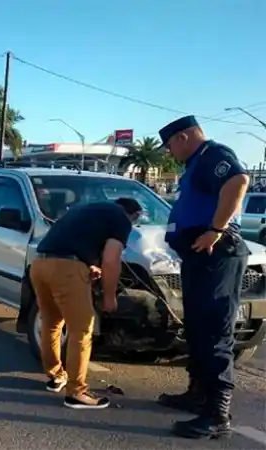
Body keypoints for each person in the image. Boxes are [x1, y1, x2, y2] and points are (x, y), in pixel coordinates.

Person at [156, 116, 250, 439]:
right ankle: (197, 394)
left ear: (184, 137)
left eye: (170, 146)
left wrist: (215, 230)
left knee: (214, 332)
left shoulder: (213, 155)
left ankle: (217, 414)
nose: (169, 153)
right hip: (199, 259)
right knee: (197, 329)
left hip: (218, 255)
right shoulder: (196, 163)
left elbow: (238, 182)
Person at [30, 197, 143, 409]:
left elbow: (74, 242)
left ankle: (56, 376)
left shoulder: (85, 209)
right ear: (133, 214)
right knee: (81, 329)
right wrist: (110, 297)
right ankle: (77, 392)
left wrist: (88, 265)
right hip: (67, 269)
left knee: (52, 323)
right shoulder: (121, 218)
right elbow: (111, 259)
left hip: (40, 264)